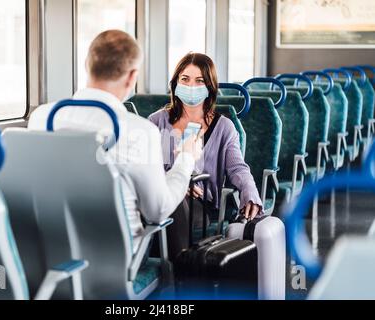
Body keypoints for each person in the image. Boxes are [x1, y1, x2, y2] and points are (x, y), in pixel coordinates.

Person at [28, 30, 202, 254]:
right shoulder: (139, 131)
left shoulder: (41, 118)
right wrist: (186, 158)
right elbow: (158, 210)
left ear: (87, 65)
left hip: (51, 252)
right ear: (132, 77)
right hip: (116, 260)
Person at [148, 52, 263, 260]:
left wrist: (250, 194)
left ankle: (178, 274)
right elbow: (146, 167)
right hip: (157, 195)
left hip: (200, 204)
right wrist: (176, 180)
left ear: (209, 87)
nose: (191, 86)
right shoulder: (156, 121)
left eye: (199, 81)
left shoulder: (224, 127)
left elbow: (237, 168)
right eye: (185, 79)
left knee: (176, 203)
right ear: (175, 84)